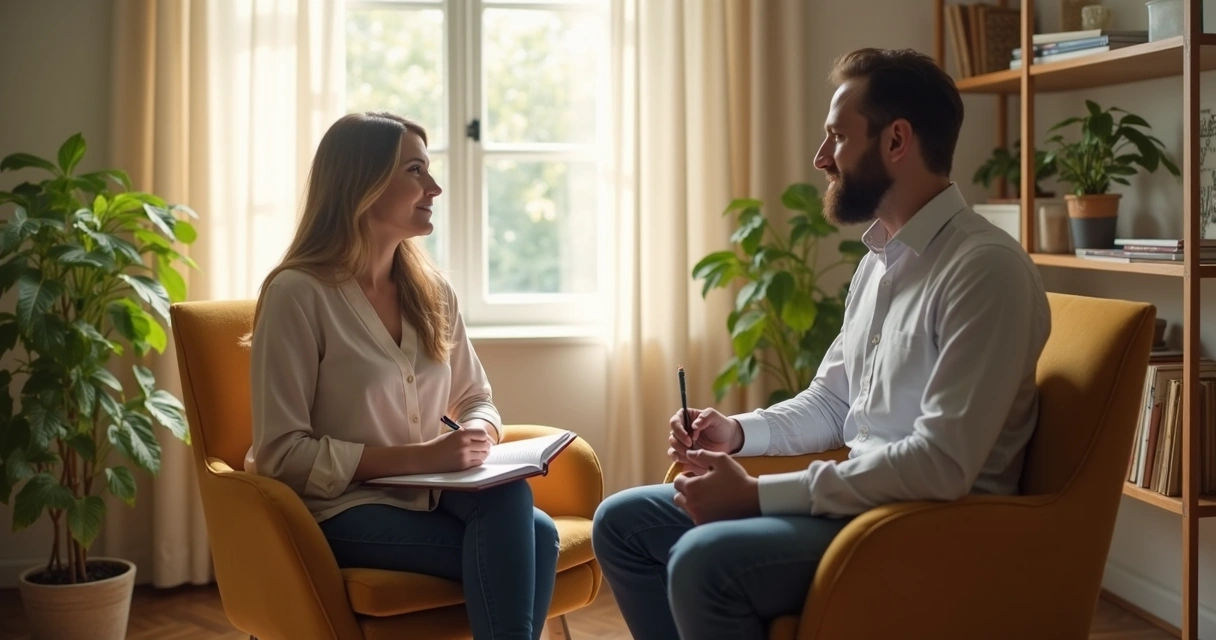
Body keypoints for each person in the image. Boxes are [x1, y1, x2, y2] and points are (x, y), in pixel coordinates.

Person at [592, 47, 1052, 640]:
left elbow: (942, 465)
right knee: (620, 522)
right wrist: (736, 432)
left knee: (703, 564)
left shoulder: (984, 270)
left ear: (896, 141)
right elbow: (835, 403)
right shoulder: (879, 263)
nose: (820, 157)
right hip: (860, 506)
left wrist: (758, 495)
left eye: (836, 136)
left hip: (924, 527)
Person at [244, 112, 558, 640]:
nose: (434, 187)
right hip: (336, 508)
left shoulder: (431, 291)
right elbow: (281, 454)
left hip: (430, 493)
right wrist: (421, 457)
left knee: (521, 510)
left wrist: (481, 430)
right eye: (415, 170)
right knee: (535, 540)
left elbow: (476, 396)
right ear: (361, 184)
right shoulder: (297, 294)